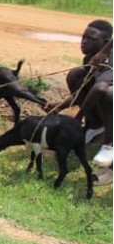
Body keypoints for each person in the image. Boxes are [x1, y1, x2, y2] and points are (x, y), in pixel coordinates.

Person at [45, 19, 113, 181]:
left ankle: (109, 144)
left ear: (106, 43)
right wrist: (60, 106)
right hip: (103, 110)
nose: (84, 42)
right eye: (84, 37)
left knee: (108, 93)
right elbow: (86, 89)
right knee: (77, 75)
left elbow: (99, 89)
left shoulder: (110, 60)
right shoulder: (91, 59)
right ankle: (95, 126)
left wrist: (76, 120)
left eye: (91, 39)